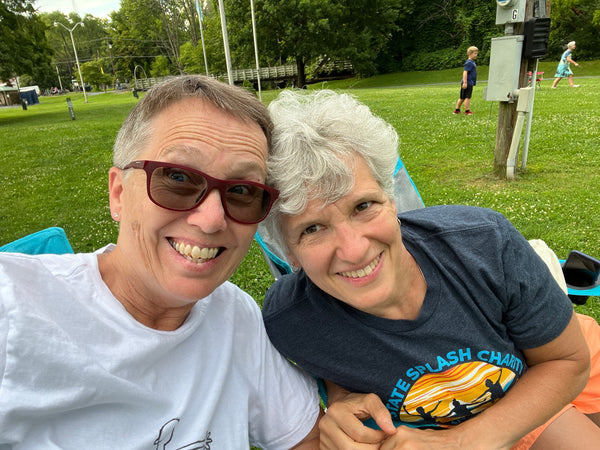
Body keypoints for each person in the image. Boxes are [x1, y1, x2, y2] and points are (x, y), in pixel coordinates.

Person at [260, 89, 600, 449]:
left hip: (548, 362)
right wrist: (343, 400)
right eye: (312, 229)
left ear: (391, 200)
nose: (355, 249)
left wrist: (459, 442)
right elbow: (338, 356)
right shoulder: (290, 319)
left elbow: (567, 361)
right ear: (289, 254)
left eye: (363, 205)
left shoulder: (484, 243)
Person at [0, 75, 322, 448]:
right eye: (178, 177)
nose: (212, 218)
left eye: (241, 191)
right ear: (118, 194)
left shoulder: (234, 317)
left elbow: (310, 439)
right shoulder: (13, 307)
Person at [454, 46, 478, 115]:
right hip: (468, 82)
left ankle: (457, 110)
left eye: (476, 53)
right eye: (475, 53)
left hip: (468, 82)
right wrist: (465, 82)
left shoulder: (471, 62)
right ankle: (467, 111)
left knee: (462, 97)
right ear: (470, 54)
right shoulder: (469, 63)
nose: (476, 55)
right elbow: (465, 72)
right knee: (467, 97)